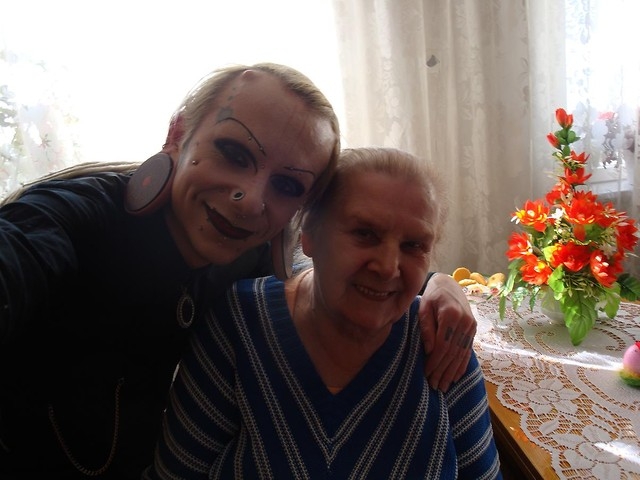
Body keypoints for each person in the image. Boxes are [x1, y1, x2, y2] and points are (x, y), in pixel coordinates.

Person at [0, 64, 475, 479]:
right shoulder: (72, 220)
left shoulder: (247, 249)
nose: (250, 201)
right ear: (177, 133)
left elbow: (337, 266)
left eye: (286, 185)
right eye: (233, 152)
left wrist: (436, 282)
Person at [144, 147, 501, 479]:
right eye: (364, 233)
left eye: (413, 245)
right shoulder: (240, 323)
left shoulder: (440, 340)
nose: (387, 266)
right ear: (309, 234)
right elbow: (176, 472)